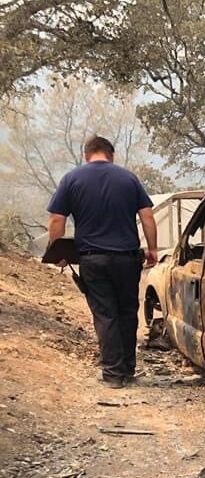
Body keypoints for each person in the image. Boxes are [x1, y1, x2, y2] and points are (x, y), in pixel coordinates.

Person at [47, 136, 159, 389]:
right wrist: (152, 249)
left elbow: (56, 220)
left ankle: (113, 374)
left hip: (92, 259)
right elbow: (148, 216)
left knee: (105, 314)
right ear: (112, 154)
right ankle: (128, 368)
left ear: (86, 155)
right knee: (128, 312)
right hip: (127, 258)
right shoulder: (128, 179)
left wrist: (57, 251)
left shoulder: (72, 179)